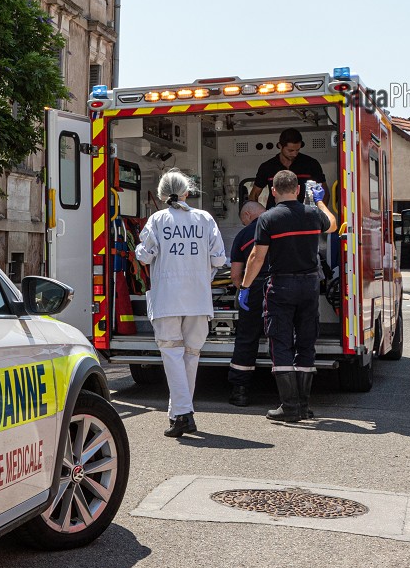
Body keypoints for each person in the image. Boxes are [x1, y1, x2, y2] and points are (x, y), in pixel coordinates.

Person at [239, 170, 338, 422]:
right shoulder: (313, 214)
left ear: (273, 191)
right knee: (306, 342)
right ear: (298, 190)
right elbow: (333, 224)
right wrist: (319, 201)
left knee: (281, 342)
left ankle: (290, 406)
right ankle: (303, 406)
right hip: (309, 286)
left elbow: (257, 257)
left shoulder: (268, 218)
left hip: (281, 286)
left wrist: (245, 286)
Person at [134, 169, 228, 438]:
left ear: (162, 194)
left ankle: (183, 413)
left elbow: (144, 256)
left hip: (167, 300)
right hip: (198, 299)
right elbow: (219, 259)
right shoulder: (205, 218)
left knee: (172, 356)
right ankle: (179, 416)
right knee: (190, 356)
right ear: (187, 192)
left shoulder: (157, 220)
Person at [227, 200, 267, 406]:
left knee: (246, 338)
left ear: (248, 215)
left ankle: (240, 391)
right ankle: (291, 395)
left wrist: (243, 289)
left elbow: (235, 274)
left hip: (254, 287)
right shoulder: (281, 225)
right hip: (282, 287)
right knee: (284, 337)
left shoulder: (244, 235)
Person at [248, 129, 327, 209]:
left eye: (297, 150)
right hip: (275, 214)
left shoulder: (311, 164)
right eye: (290, 150)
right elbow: (254, 195)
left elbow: (325, 192)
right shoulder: (267, 167)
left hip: (303, 214)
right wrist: (258, 214)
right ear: (280, 146)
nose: (294, 154)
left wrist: (319, 214)